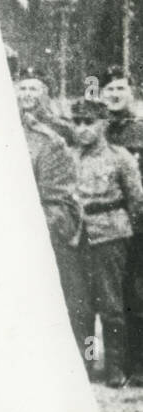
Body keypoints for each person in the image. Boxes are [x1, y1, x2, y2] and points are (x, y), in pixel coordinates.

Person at [14, 66, 90, 359]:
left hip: (48, 233)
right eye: (23, 88)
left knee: (72, 300)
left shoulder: (52, 135)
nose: (27, 94)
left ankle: (84, 359)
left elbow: (61, 200)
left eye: (33, 89)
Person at [68, 96, 143, 387]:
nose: (83, 129)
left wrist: (130, 236)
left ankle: (115, 366)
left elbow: (136, 199)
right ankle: (86, 363)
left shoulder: (119, 156)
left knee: (111, 305)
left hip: (111, 235)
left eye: (89, 122)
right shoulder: (69, 156)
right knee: (81, 307)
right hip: (77, 237)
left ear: (103, 124)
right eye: (77, 122)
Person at [100, 66, 143, 383]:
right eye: (109, 90)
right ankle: (121, 362)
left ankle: (139, 364)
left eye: (120, 89)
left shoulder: (140, 129)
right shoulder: (101, 130)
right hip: (116, 225)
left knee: (138, 292)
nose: (115, 95)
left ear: (133, 93)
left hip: (138, 219)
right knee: (116, 294)